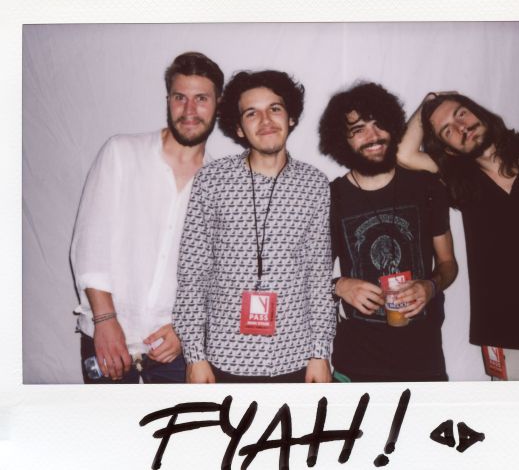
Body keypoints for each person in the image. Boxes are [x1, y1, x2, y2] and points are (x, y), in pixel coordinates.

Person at [399, 92, 519, 380]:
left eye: (461, 113)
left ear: (479, 112)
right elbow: (403, 155)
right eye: (447, 131)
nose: (461, 127)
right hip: (503, 334)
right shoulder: (460, 180)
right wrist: (428, 102)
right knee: (511, 410)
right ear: (449, 150)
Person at [172, 70, 335, 384]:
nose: (265, 120)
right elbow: (193, 271)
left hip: (295, 358)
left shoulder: (314, 184)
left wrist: (320, 353)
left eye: (275, 108)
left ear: (290, 117)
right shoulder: (212, 180)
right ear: (238, 128)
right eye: (251, 113)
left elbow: (318, 275)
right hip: (223, 358)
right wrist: (194, 356)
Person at [71, 52, 224, 383]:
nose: (189, 110)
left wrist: (184, 329)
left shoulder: (220, 185)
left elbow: (216, 276)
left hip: (175, 351)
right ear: (168, 100)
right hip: (107, 337)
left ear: (218, 104)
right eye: (180, 97)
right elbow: (90, 243)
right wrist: (105, 320)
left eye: (201, 99)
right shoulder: (121, 153)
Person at [318, 82, 458, 382]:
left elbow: (448, 264)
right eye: (358, 130)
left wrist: (430, 287)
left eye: (379, 124)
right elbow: (306, 279)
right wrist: (339, 286)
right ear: (342, 141)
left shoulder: (426, 186)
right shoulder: (330, 199)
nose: (373, 136)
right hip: (356, 365)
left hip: (424, 362)